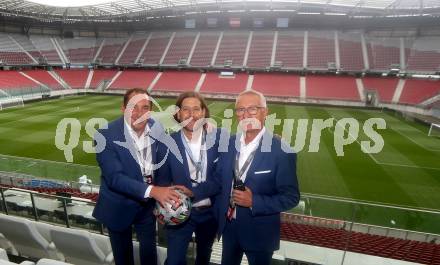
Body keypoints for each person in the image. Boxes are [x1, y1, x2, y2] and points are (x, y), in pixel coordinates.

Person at [93, 88, 182, 265]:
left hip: (147, 207)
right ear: (123, 108)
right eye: (133, 107)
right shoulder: (104, 134)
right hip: (118, 205)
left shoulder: (156, 127)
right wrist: (154, 191)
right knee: (123, 258)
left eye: (145, 108)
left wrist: (168, 188)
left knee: (149, 254)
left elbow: (163, 163)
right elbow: (115, 178)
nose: (139, 113)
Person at [215, 90, 300, 265]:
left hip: (260, 233)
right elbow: (218, 179)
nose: (245, 115)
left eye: (252, 109)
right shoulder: (228, 143)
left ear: (265, 112)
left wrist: (254, 201)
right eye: (240, 110)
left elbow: (291, 197)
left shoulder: (282, 151)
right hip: (229, 227)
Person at [156, 92, 223, 265]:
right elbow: (162, 184)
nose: (191, 114)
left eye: (196, 109)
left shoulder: (220, 140)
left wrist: (275, 140)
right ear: (178, 114)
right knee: (174, 261)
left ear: (203, 113)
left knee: (204, 257)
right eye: (186, 109)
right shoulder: (166, 144)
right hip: (179, 212)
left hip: (210, 213)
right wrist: (163, 206)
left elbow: (222, 179)